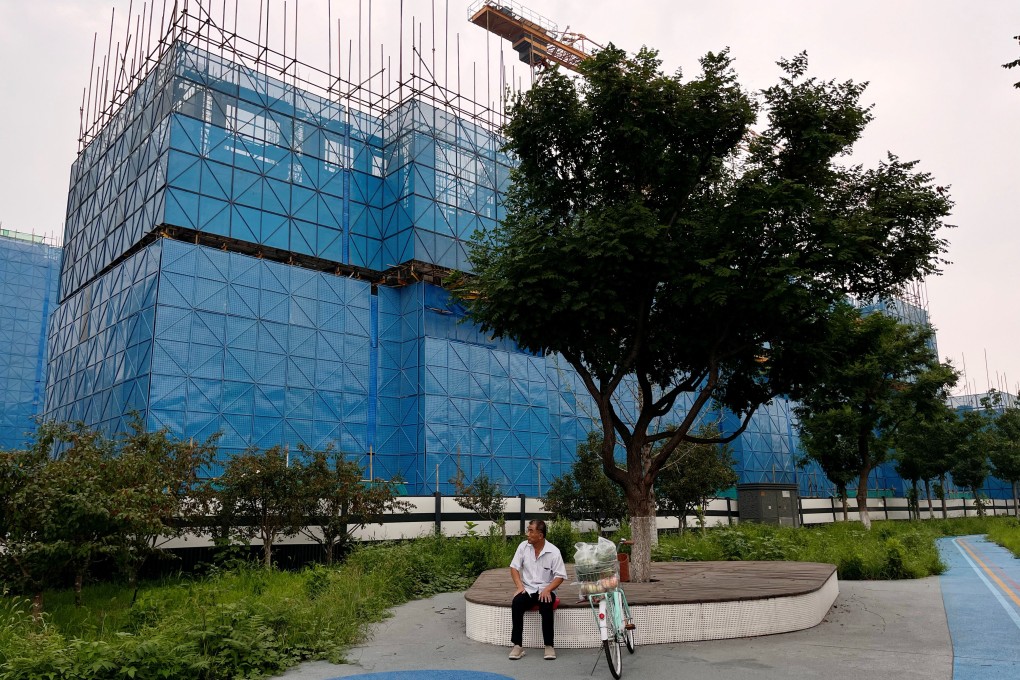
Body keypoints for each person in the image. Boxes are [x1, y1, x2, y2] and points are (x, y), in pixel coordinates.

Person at [508, 519, 567, 661]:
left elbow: (560, 576)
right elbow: (514, 567)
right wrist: (520, 586)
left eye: (530, 531)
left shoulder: (553, 551)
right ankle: (517, 645)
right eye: (528, 530)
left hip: (546, 589)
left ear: (540, 535)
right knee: (517, 602)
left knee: (546, 603)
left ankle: (549, 645)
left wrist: (548, 589)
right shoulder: (523, 547)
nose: (527, 534)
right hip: (528, 589)